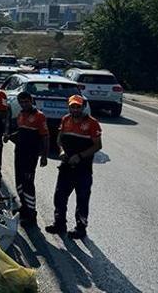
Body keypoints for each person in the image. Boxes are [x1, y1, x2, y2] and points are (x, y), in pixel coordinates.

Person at [45, 95, 102, 239]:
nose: (75, 109)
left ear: (83, 107)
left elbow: (98, 145)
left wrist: (81, 156)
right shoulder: (65, 119)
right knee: (60, 196)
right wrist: (62, 150)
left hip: (83, 169)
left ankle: (81, 228)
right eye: (72, 106)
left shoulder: (92, 123)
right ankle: (59, 224)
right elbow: (59, 139)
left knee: (82, 199)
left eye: (78, 106)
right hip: (66, 166)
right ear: (69, 107)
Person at [5, 91, 49, 227]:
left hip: (31, 155)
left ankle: (31, 214)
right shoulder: (21, 115)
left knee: (28, 184)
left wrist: (44, 156)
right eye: (21, 102)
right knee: (19, 181)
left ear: (31, 101)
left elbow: (45, 137)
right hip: (19, 153)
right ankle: (24, 207)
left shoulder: (39, 116)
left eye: (26, 101)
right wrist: (9, 135)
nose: (24, 104)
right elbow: (22, 131)